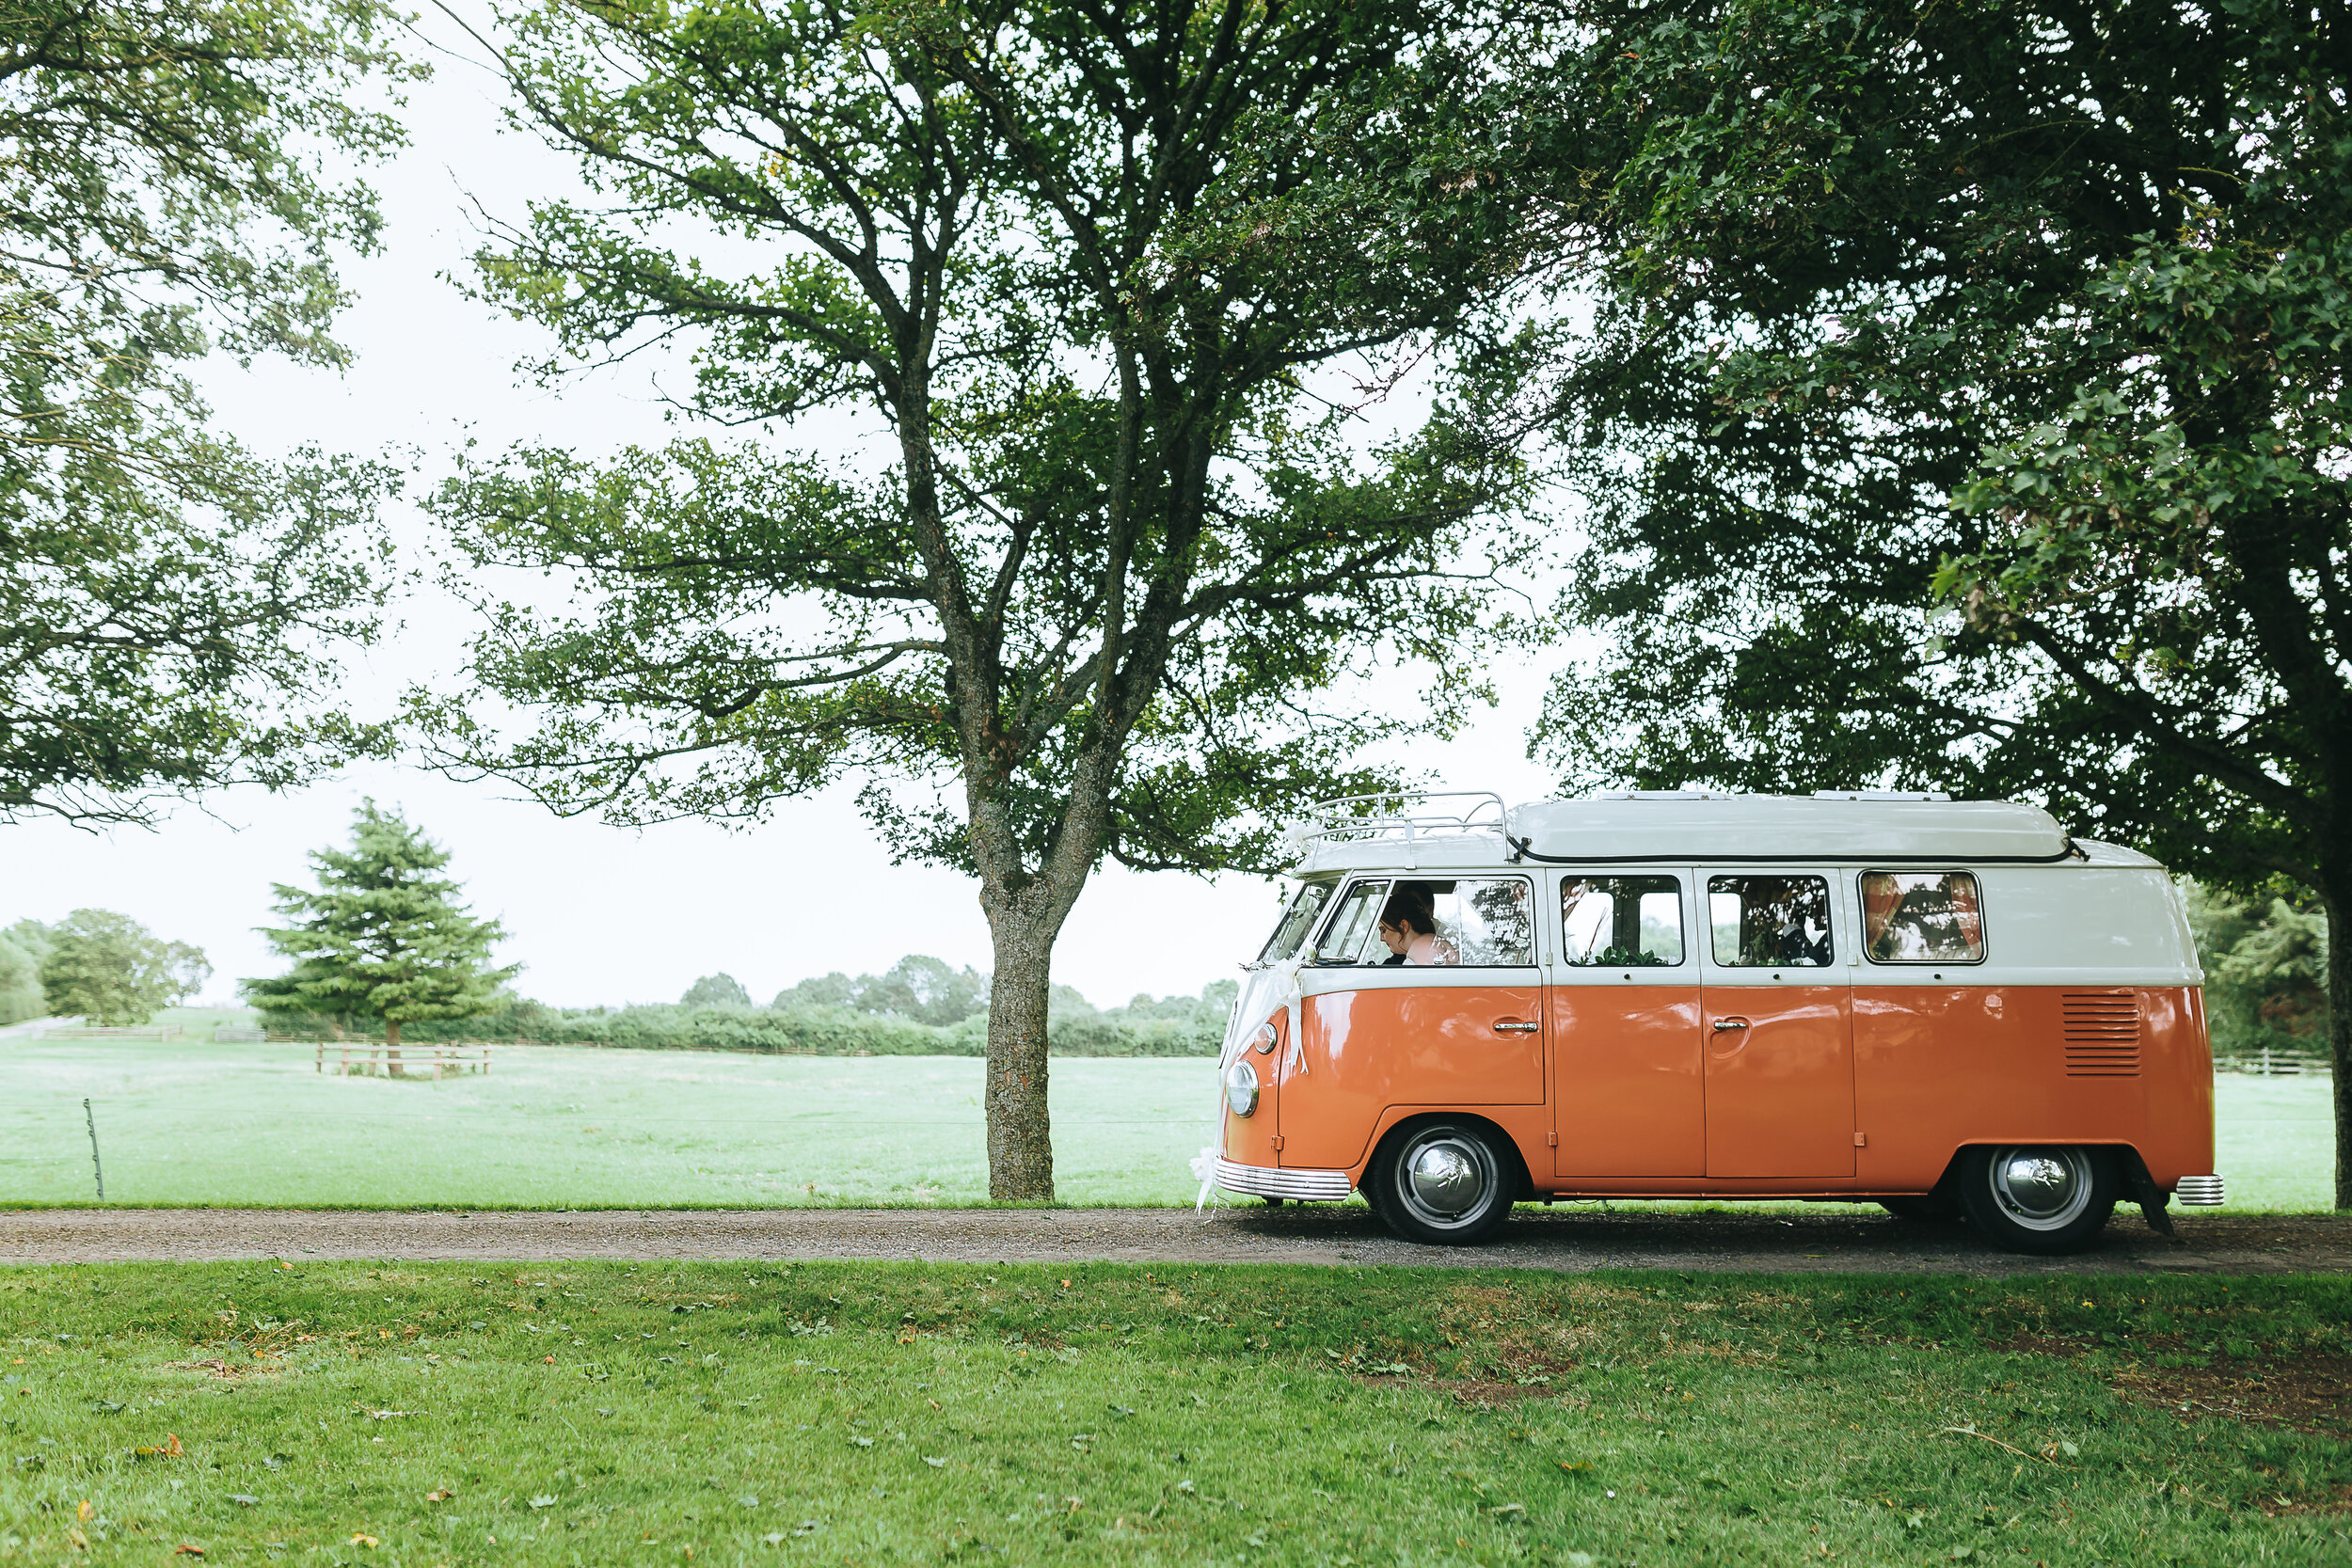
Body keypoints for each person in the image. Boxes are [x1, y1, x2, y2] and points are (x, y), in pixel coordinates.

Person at [1375, 890, 1456, 966]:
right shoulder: (1426, 944)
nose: (1381, 939)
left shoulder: (1424, 946)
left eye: (1383, 931)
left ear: (1404, 926)